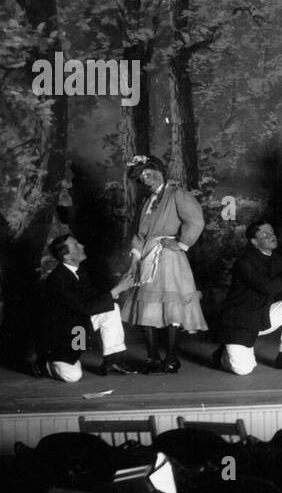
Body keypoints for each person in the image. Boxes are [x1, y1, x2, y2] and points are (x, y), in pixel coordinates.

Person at [120, 154, 207, 373]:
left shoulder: (176, 194)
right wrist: (134, 261)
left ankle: (170, 356)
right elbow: (139, 236)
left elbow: (196, 220)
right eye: (142, 178)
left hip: (168, 258)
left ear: (159, 171)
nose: (146, 180)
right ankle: (152, 357)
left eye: (149, 174)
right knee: (146, 306)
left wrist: (182, 243)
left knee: (171, 306)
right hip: (147, 257)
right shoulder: (147, 202)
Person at [213, 220, 282, 375]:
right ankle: (222, 355)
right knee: (244, 370)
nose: (271, 236)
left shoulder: (277, 259)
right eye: (265, 234)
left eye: (272, 232)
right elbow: (269, 287)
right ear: (254, 242)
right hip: (240, 323)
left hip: (261, 317)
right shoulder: (244, 262)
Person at [37, 234, 137, 381]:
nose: (82, 246)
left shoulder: (80, 271)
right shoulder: (58, 279)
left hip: (78, 327)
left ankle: (111, 361)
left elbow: (93, 298)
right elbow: (85, 307)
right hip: (63, 337)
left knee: (111, 308)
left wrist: (116, 289)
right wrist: (116, 290)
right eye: (76, 245)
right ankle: (44, 365)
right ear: (66, 256)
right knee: (73, 376)